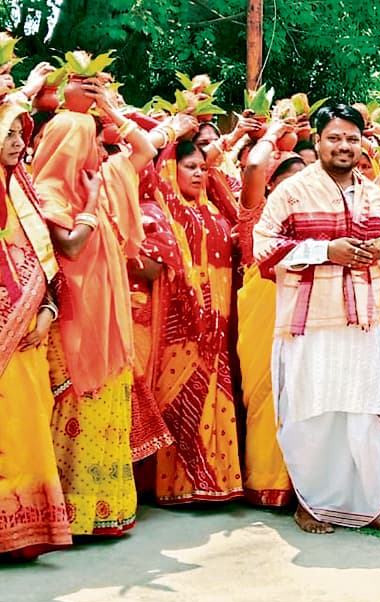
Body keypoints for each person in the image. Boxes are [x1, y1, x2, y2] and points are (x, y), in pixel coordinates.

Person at [253, 103, 380, 533]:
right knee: (313, 416)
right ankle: (312, 505)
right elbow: (263, 248)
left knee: (362, 414)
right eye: (335, 138)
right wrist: (326, 251)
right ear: (317, 141)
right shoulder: (292, 191)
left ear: (363, 143)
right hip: (309, 325)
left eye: (352, 139)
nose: (345, 146)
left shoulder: (373, 194)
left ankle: (364, 505)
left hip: (361, 322)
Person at [33, 82, 149, 537]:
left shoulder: (107, 180)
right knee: (73, 412)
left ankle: (108, 512)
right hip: (72, 325)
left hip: (108, 324)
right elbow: (70, 245)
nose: (102, 152)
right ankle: (71, 516)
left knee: (107, 411)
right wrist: (89, 203)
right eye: (92, 144)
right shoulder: (47, 194)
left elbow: (140, 148)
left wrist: (109, 109)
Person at [144, 138, 245, 504]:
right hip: (181, 323)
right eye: (190, 166)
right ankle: (176, 485)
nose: (200, 172)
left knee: (214, 395)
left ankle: (214, 480)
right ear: (172, 169)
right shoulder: (166, 209)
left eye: (203, 167)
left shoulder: (216, 213)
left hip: (217, 325)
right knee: (182, 394)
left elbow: (242, 213)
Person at [0, 102, 71, 560]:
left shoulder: (20, 193)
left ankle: (24, 531)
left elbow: (44, 267)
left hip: (26, 336)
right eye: (8, 134)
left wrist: (45, 312)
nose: (17, 142)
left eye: (20, 134)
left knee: (25, 430)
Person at [236, 120, 306, 508]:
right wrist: (271, 132)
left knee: (297, 396)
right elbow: (251, 168)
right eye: (289, 180)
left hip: (301, 313)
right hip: (261, 309)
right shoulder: (258, 213)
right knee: (266, 396)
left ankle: (296, 483)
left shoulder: (312, 226)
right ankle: (264, 482)